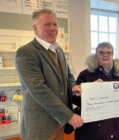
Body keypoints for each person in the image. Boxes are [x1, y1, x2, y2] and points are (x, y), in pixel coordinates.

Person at [15, 8, 84, 140]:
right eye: (47, 24)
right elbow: (39, 90)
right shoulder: (26, 53)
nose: (53, 28)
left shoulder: (58, 50)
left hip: (59, 123)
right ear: (35, 28)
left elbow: (68, 75)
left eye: (55, 24)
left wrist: (72, 87)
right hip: (39, 126)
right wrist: (69, 116)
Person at [72, 42, 119, 140]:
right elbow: (75, 100)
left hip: (117, 127)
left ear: (113, 54)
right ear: (96, 55)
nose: (105, 55)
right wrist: (90, 90)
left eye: (108, 52)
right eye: (101, 52)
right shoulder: (85, 75)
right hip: (93, 129)